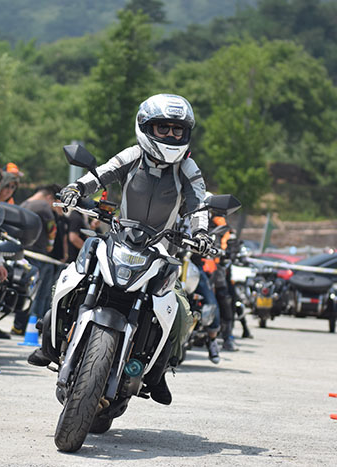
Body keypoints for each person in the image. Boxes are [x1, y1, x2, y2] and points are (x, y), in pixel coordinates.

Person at [29, 94, 212, 406]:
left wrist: (202, 233)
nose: (170, 136)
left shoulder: (188, 168)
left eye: (176, 130)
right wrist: (77, 188)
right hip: (119, 238)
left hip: (162, 251)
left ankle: (156, 375)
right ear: (145, 127)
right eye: (162, 128)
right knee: (74, 275)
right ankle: (51, 336)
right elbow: (103, 173)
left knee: (178, 310)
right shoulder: (134, 155)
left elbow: (199, 203)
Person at [11, 185, 61, 335]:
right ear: (49, 197)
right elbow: (52, 229)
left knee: (25, 290)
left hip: (24, 253)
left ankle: (19, 326)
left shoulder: (24, 204)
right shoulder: (44, 206)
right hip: (40, 255)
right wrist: (50, 245)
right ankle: (35, 326)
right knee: (40, 293)